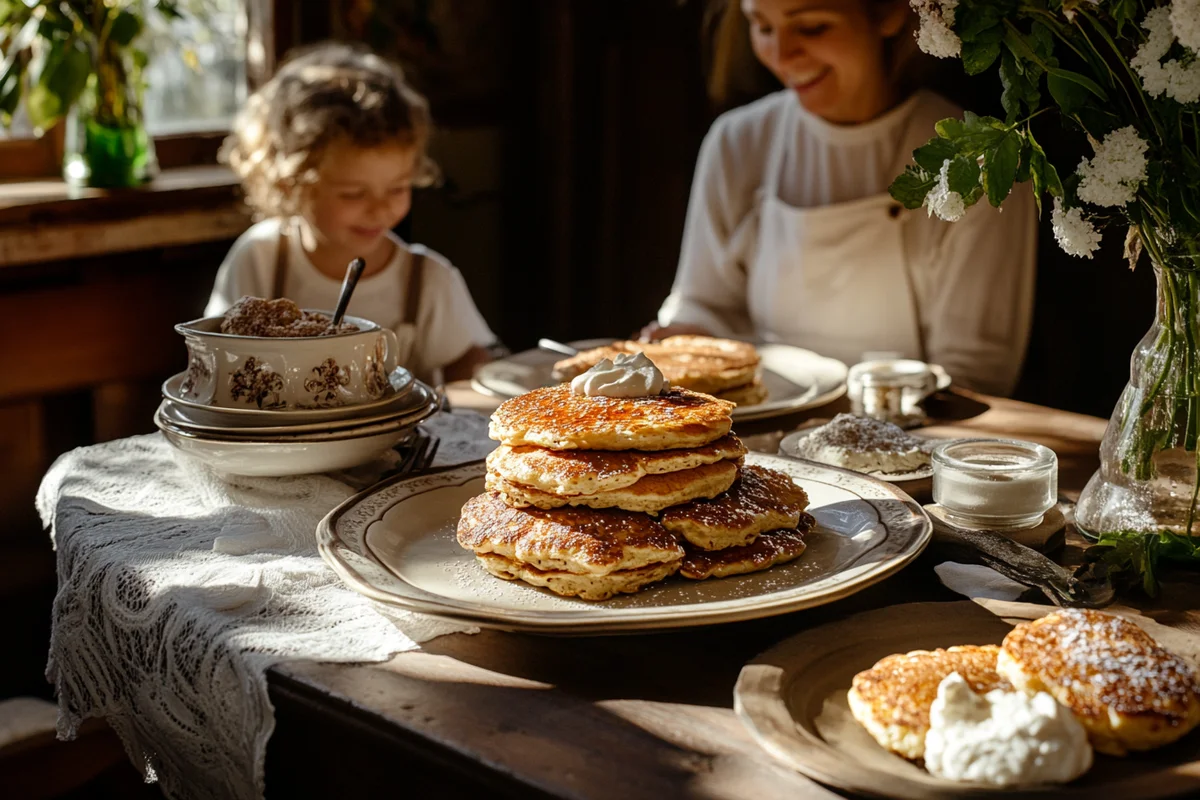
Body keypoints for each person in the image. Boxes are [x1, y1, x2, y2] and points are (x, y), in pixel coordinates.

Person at [644, 0, 1037, 396]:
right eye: (762, 27)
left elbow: (973, 375)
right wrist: (681, 337)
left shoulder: (980, 164)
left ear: (889, 13)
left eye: (812, 27)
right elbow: (704, 303)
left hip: (910, 439)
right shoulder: (738, 143)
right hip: (754, 428)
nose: (781, 55)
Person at [206, 42, 496, 384]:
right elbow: (217, 356)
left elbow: (473, 368)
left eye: (398, 188)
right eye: (353, 194)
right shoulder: (261, 258)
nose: (380, 208)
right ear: (290, 184)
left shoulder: (427, 281)